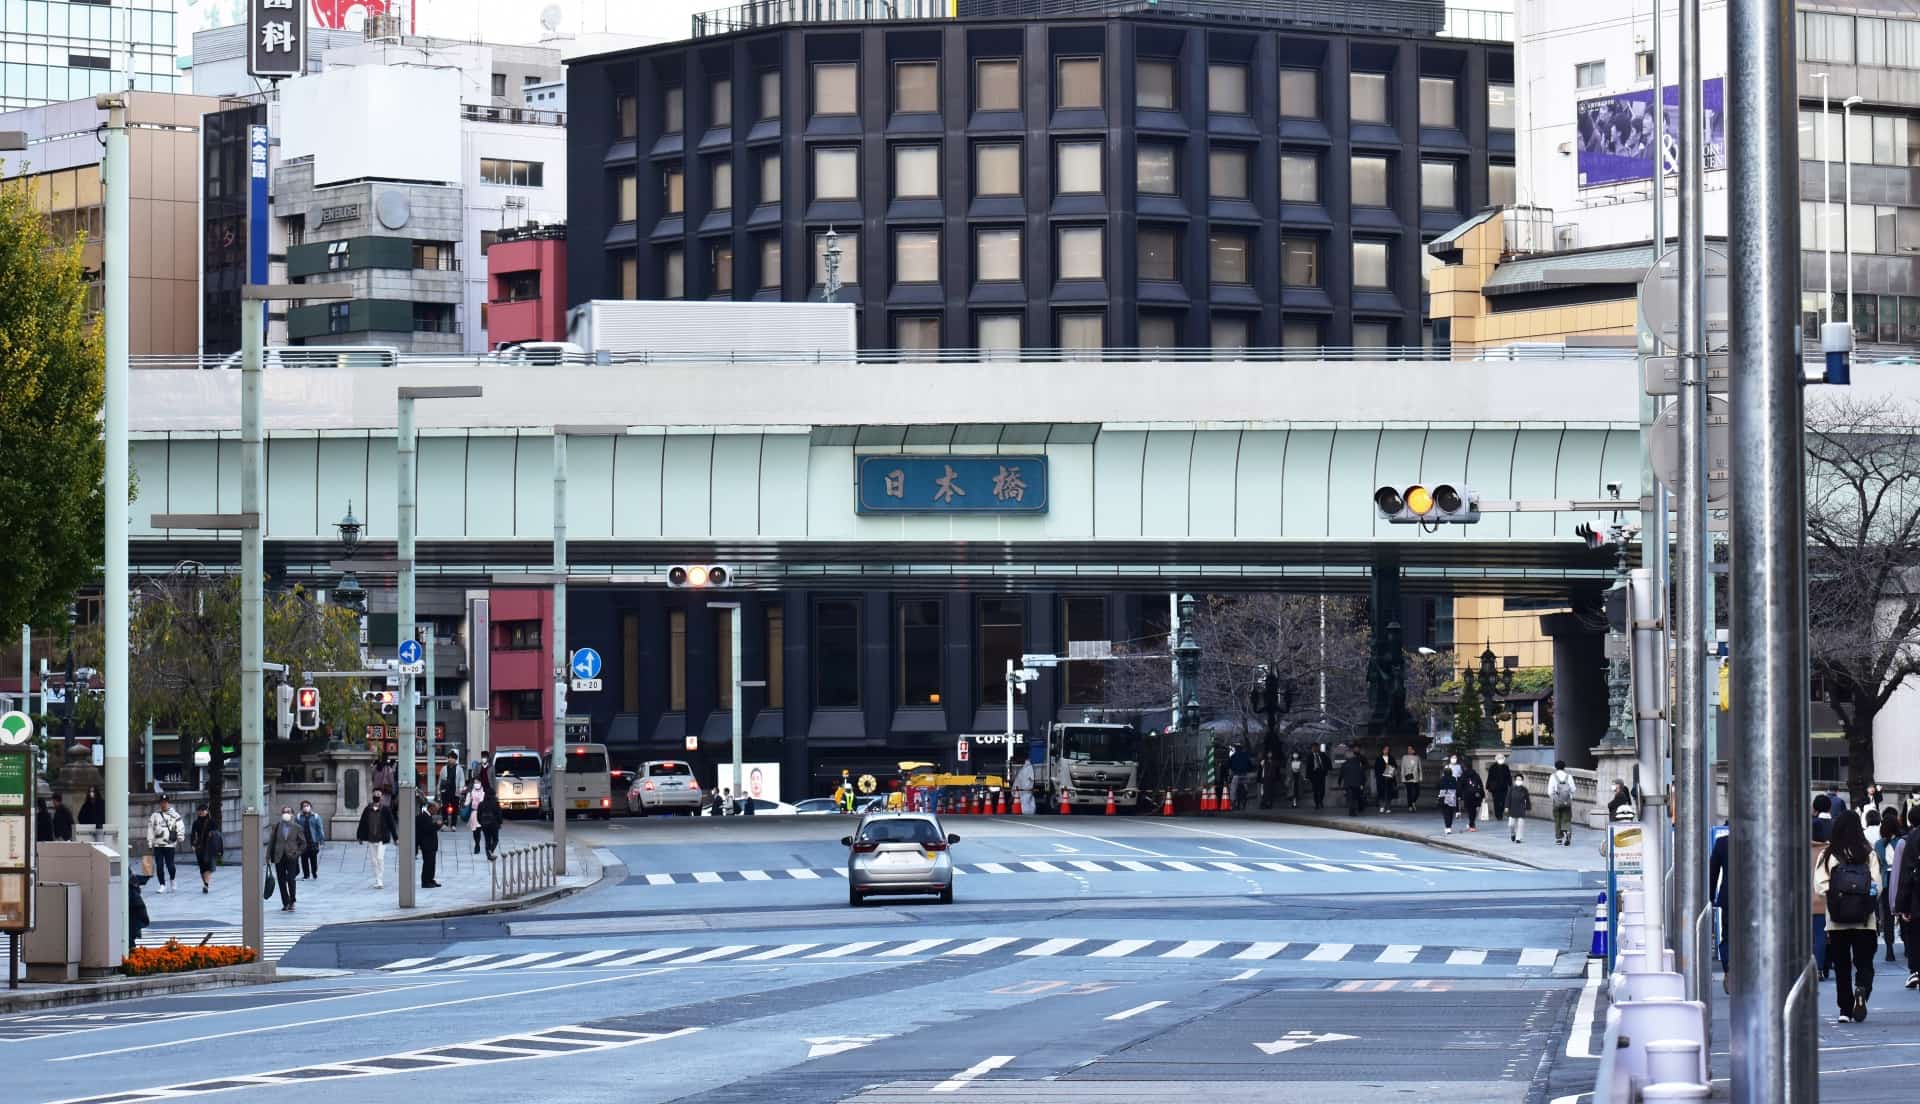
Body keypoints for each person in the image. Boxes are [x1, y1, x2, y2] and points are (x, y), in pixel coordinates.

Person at [1818, 810, 1880, 1024]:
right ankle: (1861, 989)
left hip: (1837, 920)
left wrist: (1838, 896)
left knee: (1842, 965)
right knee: (1865, 962)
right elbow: (1877, 885)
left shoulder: (1829, 854)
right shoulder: (1868, 852)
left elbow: (1820, 885)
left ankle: (1845, 1009)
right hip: (1865, 919)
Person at [1894, 812, 1920, 989]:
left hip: (1917, 897)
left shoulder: (1913, 838)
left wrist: (1903, 906)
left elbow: (1906, 874)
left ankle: (1916, 971)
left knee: (1916, 936)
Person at [265, 805, 308, 912]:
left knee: (291, 879)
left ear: (292, 814)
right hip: (279, 856)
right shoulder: (277, 826)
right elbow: (272, 842)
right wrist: (268, 856)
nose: (286, 814)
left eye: (288, 812)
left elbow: (303, 843)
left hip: (291, 856)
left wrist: (297, 853)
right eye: (284, 812)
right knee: (281, 880)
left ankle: (292, 900)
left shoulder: (297, 827)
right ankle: (285, 902)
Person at [1878, 810, 1905, 963]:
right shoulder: (1902, 842)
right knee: (1903, 913)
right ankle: (1906, 946)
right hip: (1900, 881)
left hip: (1885, 882)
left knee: (1887, 917)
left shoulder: (1878, 845)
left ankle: (1889, 949)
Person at [356, 791, 397, 890]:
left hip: (382, 839)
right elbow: (362, 823)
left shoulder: (386, 810)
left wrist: (396, 837)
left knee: (380, 858)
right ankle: (377, 879)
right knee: (374, 861)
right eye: (375, 796)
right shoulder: (368, 809)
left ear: (382, 798)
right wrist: (360, 836)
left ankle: (380, 880)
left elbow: (391, 824)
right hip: (371, 838)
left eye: (378, 796)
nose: (377, 797)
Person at [1814, 794, 1836, 979]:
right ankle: (1826, 964)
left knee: (1813, 932)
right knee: (1827, 931)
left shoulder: (1804, 845)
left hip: (1808, 896)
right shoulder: (1837, 827)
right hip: (1830, 891)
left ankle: (1815, 966)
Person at [147, 797, 184, 893]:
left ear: (168, 803)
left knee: (170, 865)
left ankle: (173, 879)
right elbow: (150, 829)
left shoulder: (175, 815)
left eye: (165, 802)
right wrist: (150, 842)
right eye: (162, 802)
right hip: (158, 845)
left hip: (169, 845)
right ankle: (162, 884)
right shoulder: (155, 815)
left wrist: (180, 836)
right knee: (159, 865)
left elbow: (180, 826)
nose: (163, 804)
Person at [1711, 828, 1731, 992]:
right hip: (1756, 898)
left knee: (1728, 936)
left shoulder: (1722, 843)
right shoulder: (1760, 840)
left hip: (1729, 897)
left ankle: (1729, 968)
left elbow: (1713, 873)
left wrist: (1710, 898)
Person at [189, 804, 221, 894]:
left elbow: (217, 834)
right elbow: (192, 834)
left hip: (209, 847)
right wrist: (192, 844)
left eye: (203, 810)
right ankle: (205, 883)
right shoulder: (196, 822)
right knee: (202, 867)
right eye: (199, 810)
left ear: (207, 811)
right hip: (199, 847)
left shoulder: (212, 822)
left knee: (208, 866)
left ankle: (206, 884)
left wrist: (212, 834)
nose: (201, 812)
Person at [1549, 761, 1577, 846]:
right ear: (1564, 767)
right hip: (1567, 801)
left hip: (1557, 802)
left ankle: (1558, 838)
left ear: (1555, 767)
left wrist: (1554, 799)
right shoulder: (1569, 776)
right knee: (1566, 819)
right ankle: (1567, 832)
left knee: (1557, 819)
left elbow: (1550, 791)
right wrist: (1569, 798)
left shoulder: (1553, 776)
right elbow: (1573, 789)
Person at [295, 800, 325, 880]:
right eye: (304, 806)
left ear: (310, 807)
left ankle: (314, 872)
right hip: (303, 842)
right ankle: (306, 875)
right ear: (301, 808)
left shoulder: (315, 816)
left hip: (313, 841)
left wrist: (321, 839)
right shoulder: (298, 817)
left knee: (313, 859)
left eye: (307, 805)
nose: (306, 807)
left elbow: (320, 828)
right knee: (304, 859)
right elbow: (296, 829)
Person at [415, 799, 441, 888]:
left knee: (432, 863)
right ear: (431, 808)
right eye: (435, 809)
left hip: (431, 844)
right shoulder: (423, 816)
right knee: (428, 863)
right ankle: (425, 881)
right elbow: (427, 829)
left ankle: (430, 879)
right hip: (426, 844)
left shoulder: (428, 816)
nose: (436, 811)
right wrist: (437, 825)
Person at [1339, 747, 1368, 817]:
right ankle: (1355, 810)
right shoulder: (1358, 763)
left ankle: (1351, 811)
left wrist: (1339, 782)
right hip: (1357, 783)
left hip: (1348, 784)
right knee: (1355, 797)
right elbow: (1361, 773)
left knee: (1350, 798)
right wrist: (1363, 782)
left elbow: (1341, 774)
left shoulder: (1344, 764)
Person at [478, 786, 502, 860]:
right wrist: (500, 823)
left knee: (487, 840)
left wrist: (481, 823)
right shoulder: (495, 803)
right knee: (495, 839)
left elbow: (478, 815)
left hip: (484, 825)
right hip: (494, 824)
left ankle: (488, 855)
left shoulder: (481, 804)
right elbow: (499, 814)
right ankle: (490, 851)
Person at [1460, 762, 1485, 832]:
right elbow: (1480, 785)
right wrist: (1482, 794)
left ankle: (1471, 824)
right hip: (1476, 795)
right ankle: (1472, 823)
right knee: (1473, 810)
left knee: (1470, 810)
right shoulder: (1476, 775)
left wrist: (1460, 795)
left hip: (1467, 795)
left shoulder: (1464, 775)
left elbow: (1461, 786)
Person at [1228, 742, 1253, 811]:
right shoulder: (1246, 755)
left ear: (1236, 749)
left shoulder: (1233, 757)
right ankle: (1246, 794)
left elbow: (1230, 766)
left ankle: (1233, 802)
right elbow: (1250, 765)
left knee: (1233, 789)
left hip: (1236, 775)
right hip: (1245, 775)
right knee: (1246, 787)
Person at [1487, 755, 1512, 822]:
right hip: (1495, 788)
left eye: (1501, 758)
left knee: (1503, 801)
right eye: (1499, 758)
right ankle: (1498, 815)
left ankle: (1500, 812)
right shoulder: (1493, 767)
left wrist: (1510, 784)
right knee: (1496, 801)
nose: (1500, 760)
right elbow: (1490, 777)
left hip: (1504, 787)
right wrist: (1488, 786)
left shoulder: (1505, 767)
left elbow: (1508, 776)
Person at [1507, 774, 1532, 843]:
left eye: (1520, 780)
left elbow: (1527, 799)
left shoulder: (1524, 790)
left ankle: (1518, 838)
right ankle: (1513, 834)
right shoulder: (1511, 789)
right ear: (1515, 781)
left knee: (1520, 825)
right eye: (1517, 779)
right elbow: (1508, 798)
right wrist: (1506, 807)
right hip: (1512, 808)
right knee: (1511, 824)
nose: (1519, 781)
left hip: (1521, 808)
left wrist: (1528, 807)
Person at [1308, 743, 1332, 811]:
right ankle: (1317, 803)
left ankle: (1321, 800)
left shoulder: (1322, 754)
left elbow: (1328, 761)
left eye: (1316, 747)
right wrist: (1308, 776)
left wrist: (1327, 769)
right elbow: (1308, 767)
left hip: (1321, 773)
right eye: (1313, 747)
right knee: (1315, 790)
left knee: (1322, 789)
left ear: (1318, 748)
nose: (1314, 749)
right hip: (1314, 774)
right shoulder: (1310, 756)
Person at [1438, 764, 1461, 834]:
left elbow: (1438, 787)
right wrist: (1459, 795)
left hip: (1443, 796)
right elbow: (1457, 788)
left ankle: (1447, 826)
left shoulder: (1442, 779)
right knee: (1451, 812)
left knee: (1446, 813)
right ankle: (1449, 826)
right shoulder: (1454, 779)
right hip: (1452, 796)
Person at [465, 779, 487, 854]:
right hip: (474, 813)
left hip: (482, 813)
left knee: (480, 829)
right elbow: (466, 803)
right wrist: (468, 797)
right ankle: (477, 844)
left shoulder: (484, 792)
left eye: (478, 782)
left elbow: (484, 801)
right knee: (475, 831)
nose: (476, 784)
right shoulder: (471, 792)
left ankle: (479, 845)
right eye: (475, 782)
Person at [1400, 746, 1424, 812]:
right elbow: (1402, 768)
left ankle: (1413, 801)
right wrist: (1402, 777)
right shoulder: (1404, 757)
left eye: (1411, 749)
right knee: (1409, 792)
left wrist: (1421, 776)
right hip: (1408, 775)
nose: (1409, 750)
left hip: (1415, 776)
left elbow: (1420, 768)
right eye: (1408, 749)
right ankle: (1409, 806)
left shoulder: (1417, 757)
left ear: (1414, 750)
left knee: (1417, 791)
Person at [1373, 750, 1395, 814]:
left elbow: (1394, 766)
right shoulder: (1379, 758)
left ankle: (1388, 807)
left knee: (1388, 793)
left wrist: (1390, 768)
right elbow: (1376, 768)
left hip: (1389, 778)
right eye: (1385, 749)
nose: (1386, 751)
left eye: (1388, 749)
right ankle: (1382, 806)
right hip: (1381, 778)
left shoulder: (1391, 758)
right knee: (1381, 792)